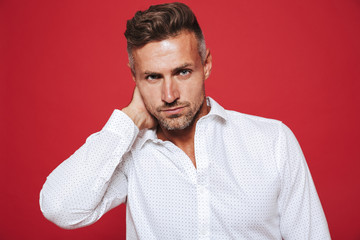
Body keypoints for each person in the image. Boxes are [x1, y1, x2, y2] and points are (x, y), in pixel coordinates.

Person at [40, 2, 331, 239]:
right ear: (134, 78)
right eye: (153, 77)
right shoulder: (130, 153)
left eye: (182, 72)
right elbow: (60, 208)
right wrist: (131, 118)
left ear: (206, 65)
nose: (169, 95)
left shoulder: (272, 141)